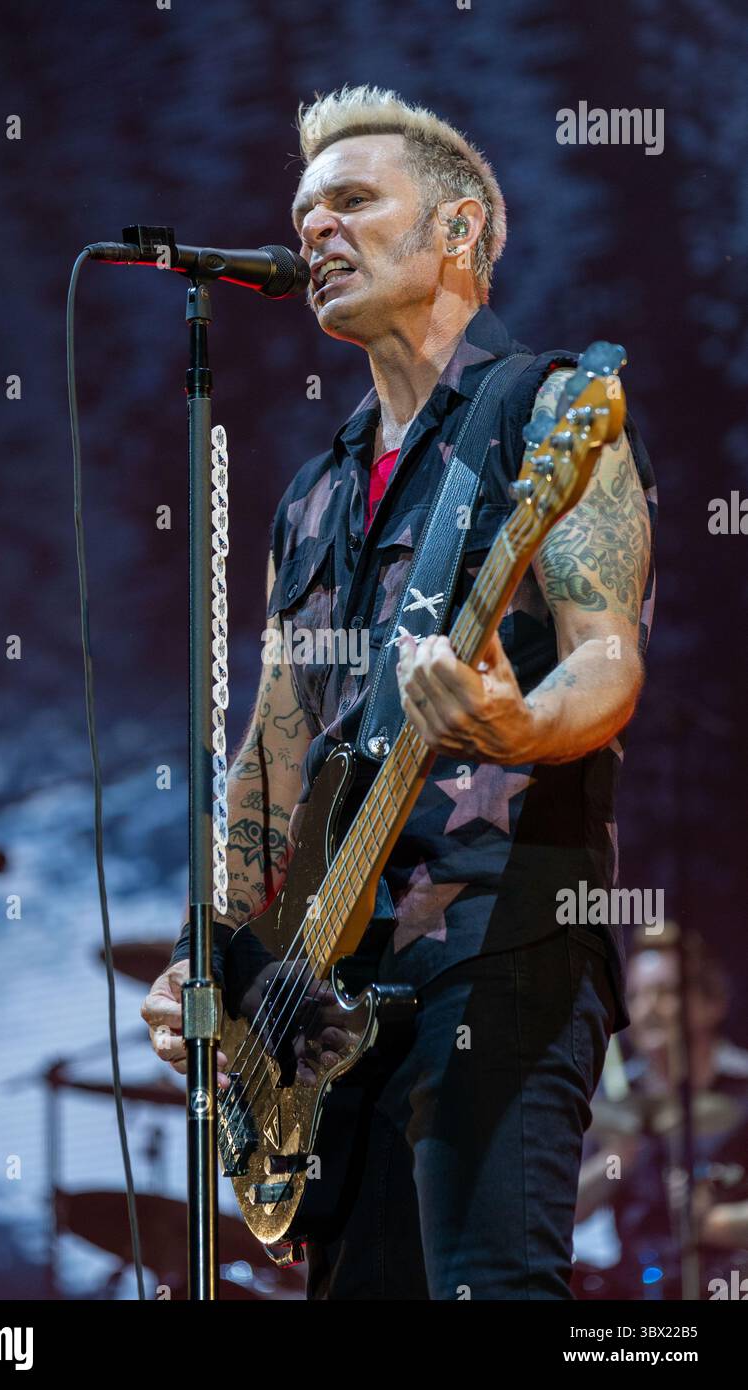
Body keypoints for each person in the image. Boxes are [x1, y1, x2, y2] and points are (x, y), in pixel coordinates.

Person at [142, 83, 657, 1300]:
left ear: (460, 230)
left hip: (494, 937)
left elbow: (607, 654)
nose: (315, 229)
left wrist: (518, 723)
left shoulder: (546, 414)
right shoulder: (311, 498)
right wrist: (212, 954)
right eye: (303, 210)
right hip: (325, 1004)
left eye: (353, 203)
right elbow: (268, 759)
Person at [574, 928, 748, 1300]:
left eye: (665, 993)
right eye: (635, 997)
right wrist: (617, 1157)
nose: (647, 1009)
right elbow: (566, 1214)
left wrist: (712, 1223)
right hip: (635, 1284)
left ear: (712, 1003)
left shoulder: (742, 1088)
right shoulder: (617, 1102)